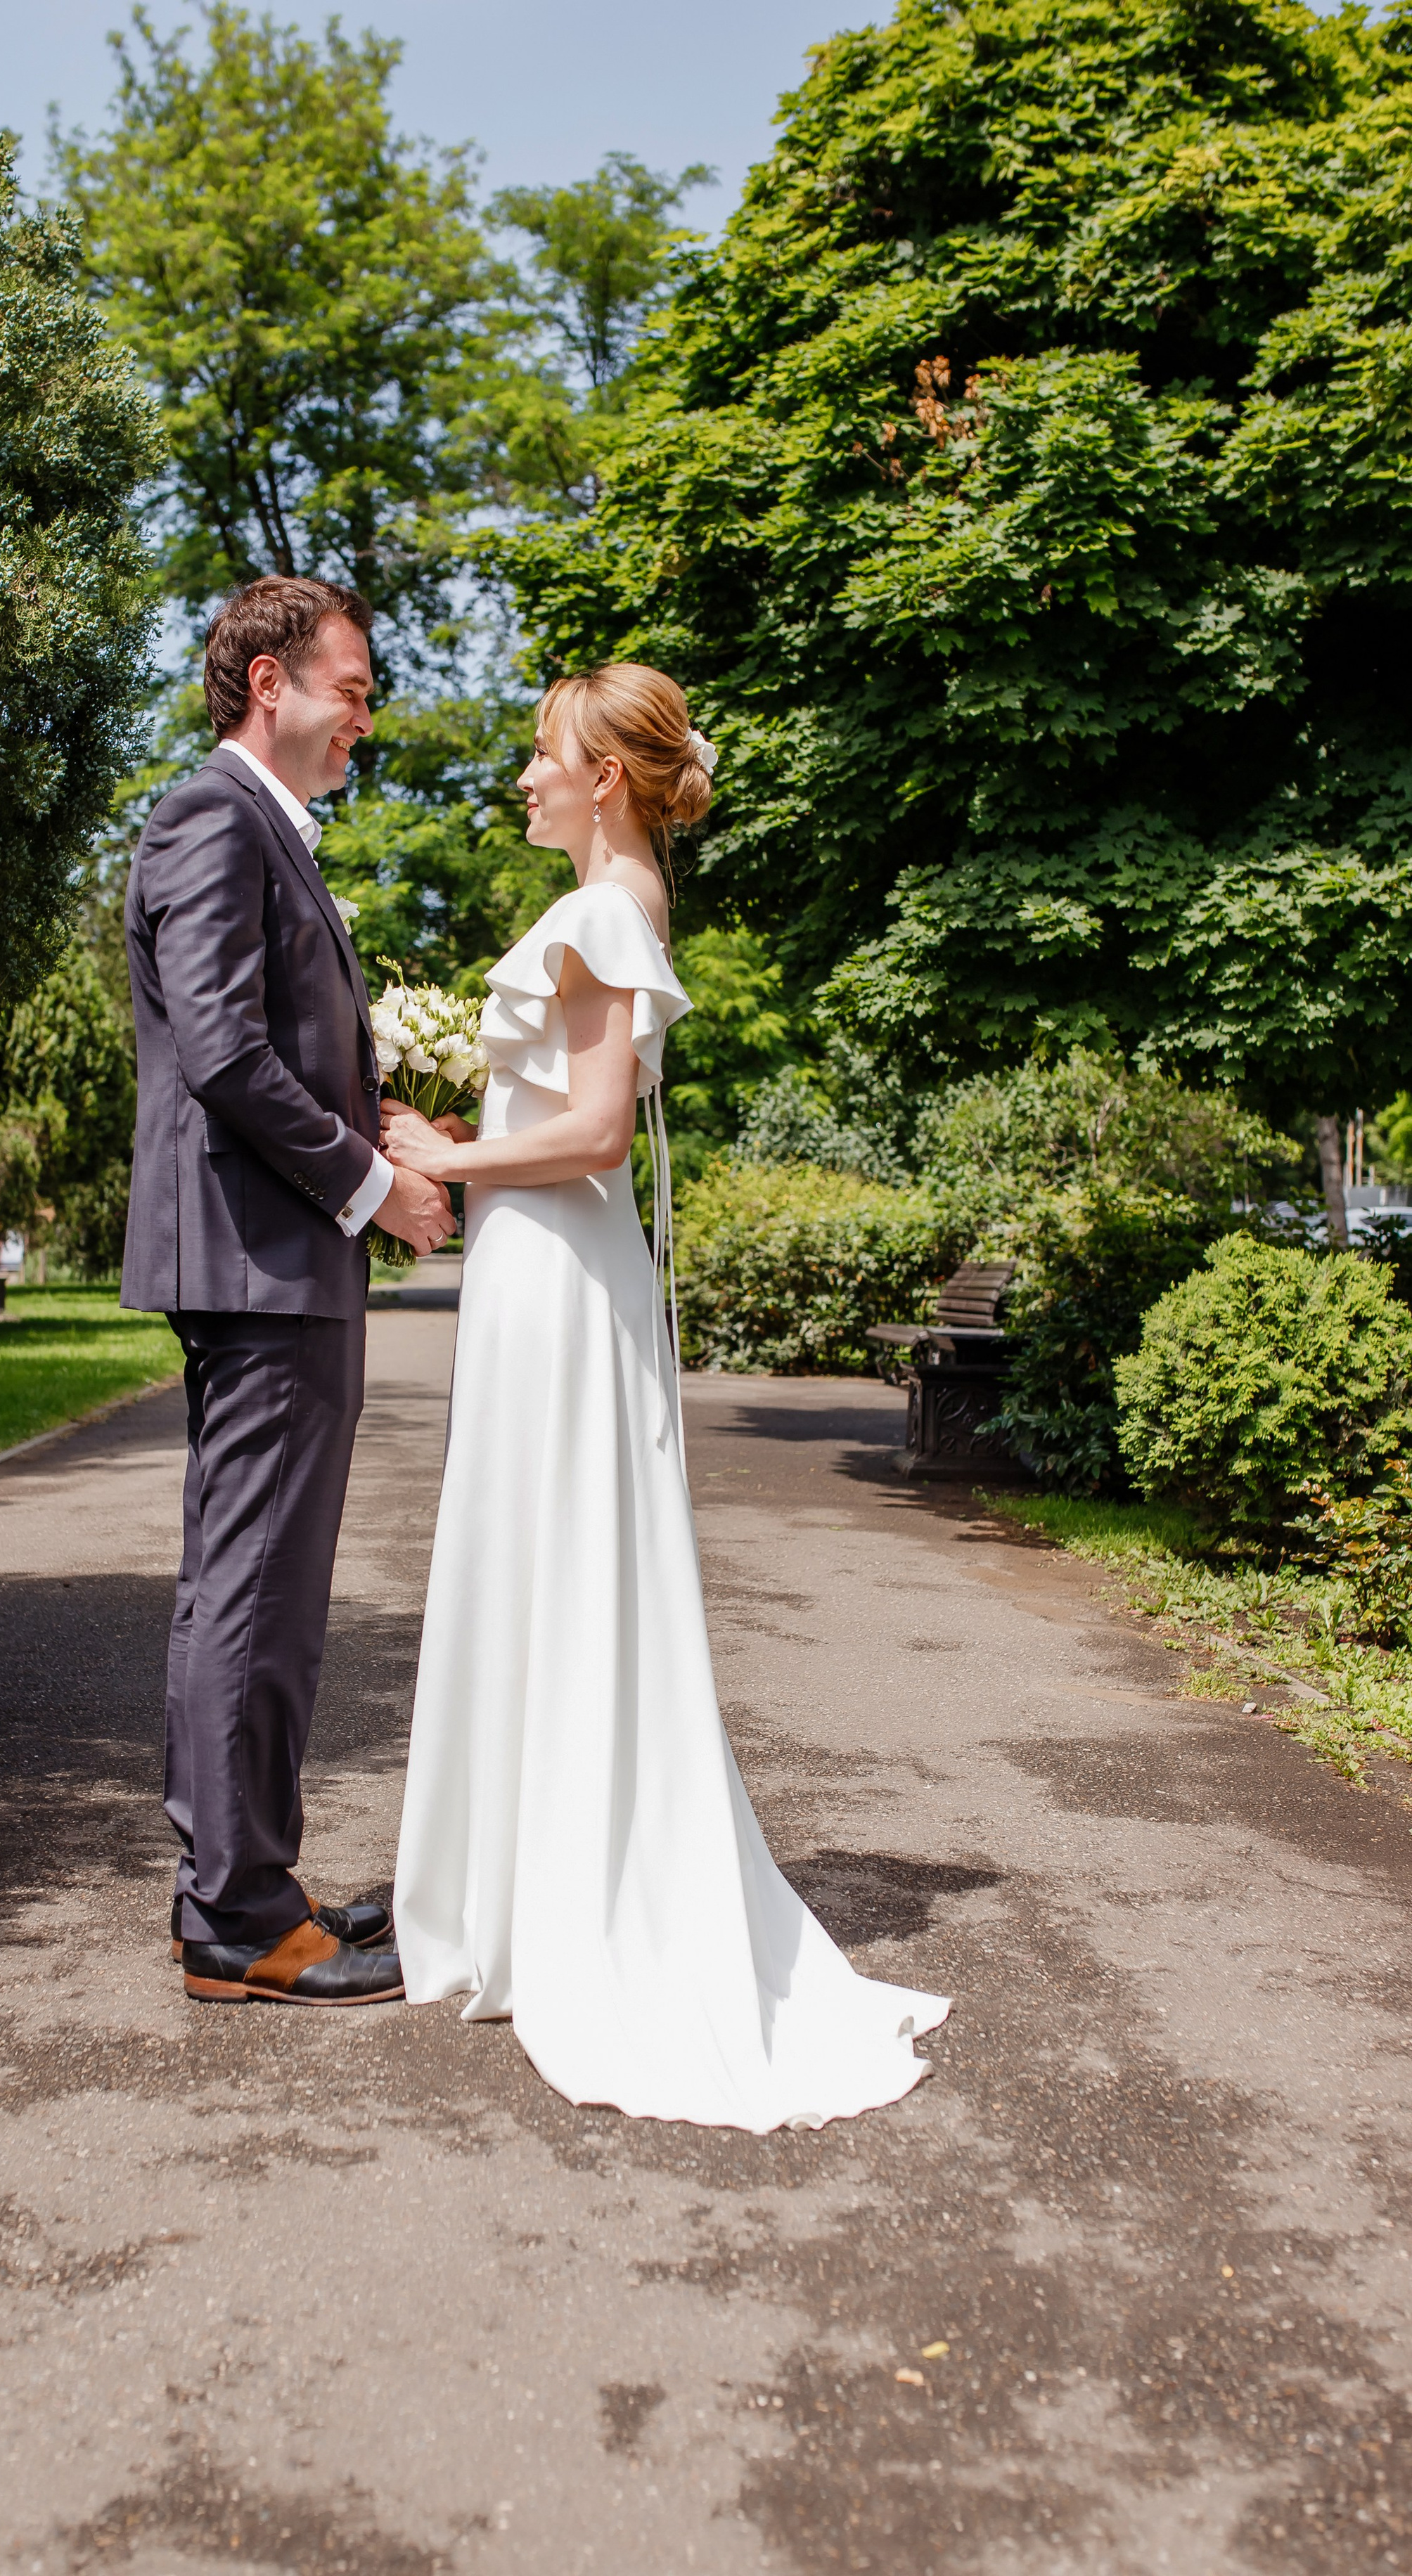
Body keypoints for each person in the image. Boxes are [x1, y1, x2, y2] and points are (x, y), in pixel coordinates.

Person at [383, 664, 951, 2129]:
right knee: (554, 1567)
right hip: (561, 1279)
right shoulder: (624, 899)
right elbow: (565, 1120)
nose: (522, 777)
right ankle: (533, 1883)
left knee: (549, 1564)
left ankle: (542, 1902)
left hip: (560, 1277)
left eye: (540, 757)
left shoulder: (602, 909)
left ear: (607, 779)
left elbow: (582, 1140)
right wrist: (466, 1134)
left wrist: (437, 1159)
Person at [120, 576, 451, 2007]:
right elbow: (222, 1052)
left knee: (267, 1591)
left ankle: (254, 1881)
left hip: (279, 1254)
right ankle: (235, 1917)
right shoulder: (213, 814)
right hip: (257, 1260)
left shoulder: (269, 831)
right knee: (252, 1589)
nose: (363, 721)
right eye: (354, 689)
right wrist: (375, 1188)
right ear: (270, 682)